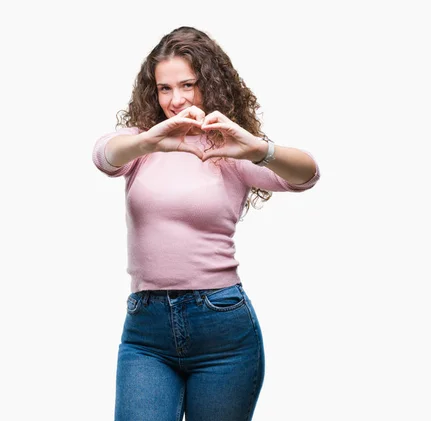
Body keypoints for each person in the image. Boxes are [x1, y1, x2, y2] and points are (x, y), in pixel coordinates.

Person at [91, 26, 320, 421]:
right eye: (164, 89)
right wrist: (151, 140)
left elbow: (307, 175)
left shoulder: (229, 148)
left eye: (187, 85)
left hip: (221, 327)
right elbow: (103, 156)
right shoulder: (140, 144)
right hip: (146, 333)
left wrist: (258, 148)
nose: (175, 100)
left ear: (209, 83)